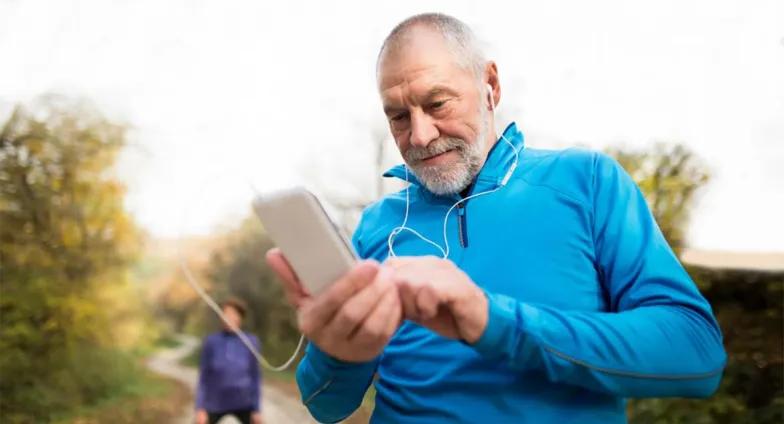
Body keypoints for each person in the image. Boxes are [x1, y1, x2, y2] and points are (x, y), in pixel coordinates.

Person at [266, 13, 726, 423]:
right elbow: (327, 406)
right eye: (399, 116)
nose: (420, 135)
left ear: (490, 85)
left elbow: (695, 354)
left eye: (438, 103)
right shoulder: (376, 226)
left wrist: (490, 319)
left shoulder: (587, 181)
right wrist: (340, 356)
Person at [195, 297, 262, 424]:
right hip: (215, 402)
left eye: (232, 314)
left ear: (240, 317)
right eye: (225, 314)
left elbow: (255, 377)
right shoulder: (211, 342)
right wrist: (200, 408)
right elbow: (204, 377)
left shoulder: (251, 341)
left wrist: (256, 409)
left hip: (244, 403)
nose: (228, 318)